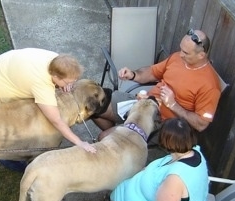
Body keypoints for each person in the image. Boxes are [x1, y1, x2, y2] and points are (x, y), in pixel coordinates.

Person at [93, 29, 221, 140]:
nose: (180, 54)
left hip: (161, 122)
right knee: (93, 105)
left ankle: (119, 141)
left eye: (186, 53)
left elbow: (201, 125)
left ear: (201, 55)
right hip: (144, 103)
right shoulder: (177, 58)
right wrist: (133, 74)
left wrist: (173, 104)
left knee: (104, 138)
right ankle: (120, 136)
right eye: (181, 49)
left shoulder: (210, 85)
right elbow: (152, 72)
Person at [0, 48, 96, 172]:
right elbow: (56, 120)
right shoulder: (42, 85)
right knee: (6, 124)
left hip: (3, 65)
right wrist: (80, 143)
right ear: (56, 76)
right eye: (69, 82)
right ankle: (8, 158)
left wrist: (64, 83)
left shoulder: (57, 61)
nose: (72, 85)